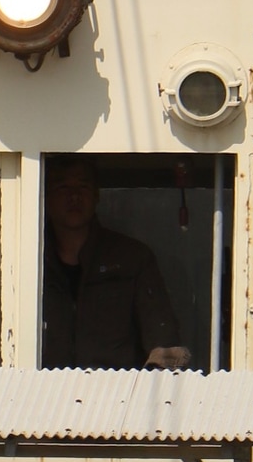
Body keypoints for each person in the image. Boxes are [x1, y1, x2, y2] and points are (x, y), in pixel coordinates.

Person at [41, 157, 191, 370]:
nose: (73, 196)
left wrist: (148, 391)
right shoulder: (27, 261)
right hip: (41, 396)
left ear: (96, 195)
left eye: (83, 186)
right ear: (45, 195)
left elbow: (164, 344)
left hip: (116, 397)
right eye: (62, 186)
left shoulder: (132, 259)